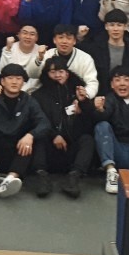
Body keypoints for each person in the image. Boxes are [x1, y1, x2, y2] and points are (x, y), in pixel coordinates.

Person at [0, 63, 52, 198]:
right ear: (2, 81)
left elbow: (44, 123)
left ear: (23, 82)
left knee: (33, 137)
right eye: (10, 78)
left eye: (18, 78)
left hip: (15, 152)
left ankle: (10, 179)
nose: (14, 82)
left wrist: (30, 135)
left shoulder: (28, 100)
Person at [32, 56, 95, 198]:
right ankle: (42, 178)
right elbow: (38, 121)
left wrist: (83, 105)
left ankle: (73, 179)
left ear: (67, 73)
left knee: (87, 139)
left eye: (60, 71)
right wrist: (55, 135)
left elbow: (89, 123)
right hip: (49, 148)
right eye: (52, 72)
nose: (57, 75)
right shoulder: (38, 95)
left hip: (70, 148)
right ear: (46, 74)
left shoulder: (78, 94)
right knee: (37, 138)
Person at [25, 23, 99, 97]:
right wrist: (39, 58)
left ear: (74, 41)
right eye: (60, 37)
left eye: (69, 38)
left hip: (74, 97)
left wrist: (84, 96)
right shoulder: (46, 54)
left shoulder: (85, 58)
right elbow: (32, 74)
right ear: (54, 40)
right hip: (48, 96)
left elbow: (92, 83)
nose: (64, 41)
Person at [88, 9, 129, 91]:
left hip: (128, 92)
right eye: (112, 25)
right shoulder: (95, 49)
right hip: (103, 92)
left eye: (119, 25)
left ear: (125, 27)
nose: (115, 29)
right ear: (106, 26)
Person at [0, 23, 43, 92]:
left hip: (32, 91)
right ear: (18, 35)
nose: (28, 37)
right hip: (10, 89)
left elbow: (37, 77)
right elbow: (2, 71)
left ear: (37, 38)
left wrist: (22, 91)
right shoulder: (9, 48)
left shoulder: (41, 52)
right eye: (25, 33)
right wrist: (8, 50)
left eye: (32, 34)